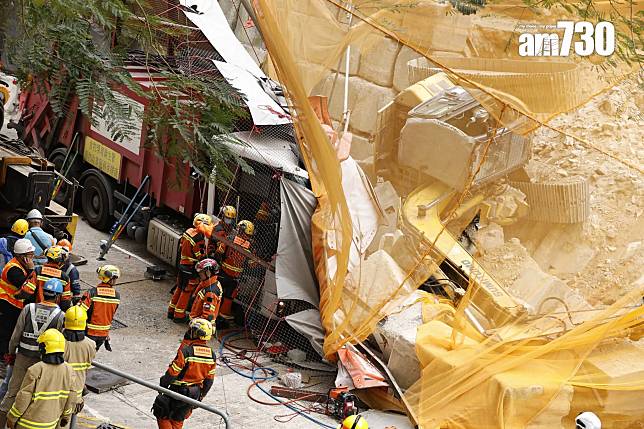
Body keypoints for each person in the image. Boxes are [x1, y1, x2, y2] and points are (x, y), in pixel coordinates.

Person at [0, 279, 65, 427]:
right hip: (42, 362)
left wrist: (11, 353)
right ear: (58, 296)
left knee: (12, 392)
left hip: (22, 357)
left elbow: (15, 336)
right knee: (32, 394)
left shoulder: (29, 308)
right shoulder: (60, 316)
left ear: (42, 292)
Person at [6, 329, 79, 429]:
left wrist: (12, 417)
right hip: (51, 424)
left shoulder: (35, 370)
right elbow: (72, 397)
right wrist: (66, 416)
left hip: (27, 424)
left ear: (43, 348)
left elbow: (23, 398)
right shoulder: (69, 370)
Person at [153, 318, 216, 429]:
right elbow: (209, 381)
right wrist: (201, 397)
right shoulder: (212, 355)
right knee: (178, 419)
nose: (190, 332)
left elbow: (172, 374)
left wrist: (163, 384)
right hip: (193, 393)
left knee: (162, 414)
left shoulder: (186, 352)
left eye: (192, 330)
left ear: (197, 333)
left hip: (177, 391)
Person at [168, 214, 213, 323]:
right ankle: (179, 315)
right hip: (190, 268)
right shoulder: (199, 239)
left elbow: (182, 245)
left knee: (179, 288)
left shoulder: (188, 231)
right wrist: (209, 253)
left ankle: (171, 311)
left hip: (182, 265)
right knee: (186, 292)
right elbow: (200, 256)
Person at [60, 306, 95, 428]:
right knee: (68, 421)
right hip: (77, 391)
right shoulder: (91, 345)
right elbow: (87, 365)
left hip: (58, 389)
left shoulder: (58, 342)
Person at [0, 240, 34, 359]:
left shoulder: (19, 265)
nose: (32, 257)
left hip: (12, 304)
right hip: (7, 304)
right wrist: (31, 270)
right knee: (6, 332)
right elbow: (26, 285)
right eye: (30, 255)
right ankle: (3, 357)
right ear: (21, 256)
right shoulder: (13, 269)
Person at [15, 245, 71, 311]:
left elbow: (27, 291)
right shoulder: (65, 277)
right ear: (60, 261)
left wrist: (17, 295)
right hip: (53, 311)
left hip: (35, 309)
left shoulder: (38, 271)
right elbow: (66, 301)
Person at [218, 220, 255, 321]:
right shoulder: (250, 247)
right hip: (235, 278)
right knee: (229, 296)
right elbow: (251, 265)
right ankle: (223, 314)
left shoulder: (230, 238)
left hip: (223, 272)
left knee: (216, 291)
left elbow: (220, 251)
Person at [79, 265, 121, 351]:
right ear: (110, 278)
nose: (115, 280)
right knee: (92, 354)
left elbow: (80, 312)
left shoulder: (91, 293)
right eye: (115, 278)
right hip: (103, 335)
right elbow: (109, 315)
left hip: (89, 333)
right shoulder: (117, 296)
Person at [189, 259, 222, 323]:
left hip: (200, 326)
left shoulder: (210, 293)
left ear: (208, 273)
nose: (199, 274)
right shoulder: (212, 282)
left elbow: (207, 315)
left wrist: (195, 324)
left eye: (201, 272)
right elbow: (201, 284)